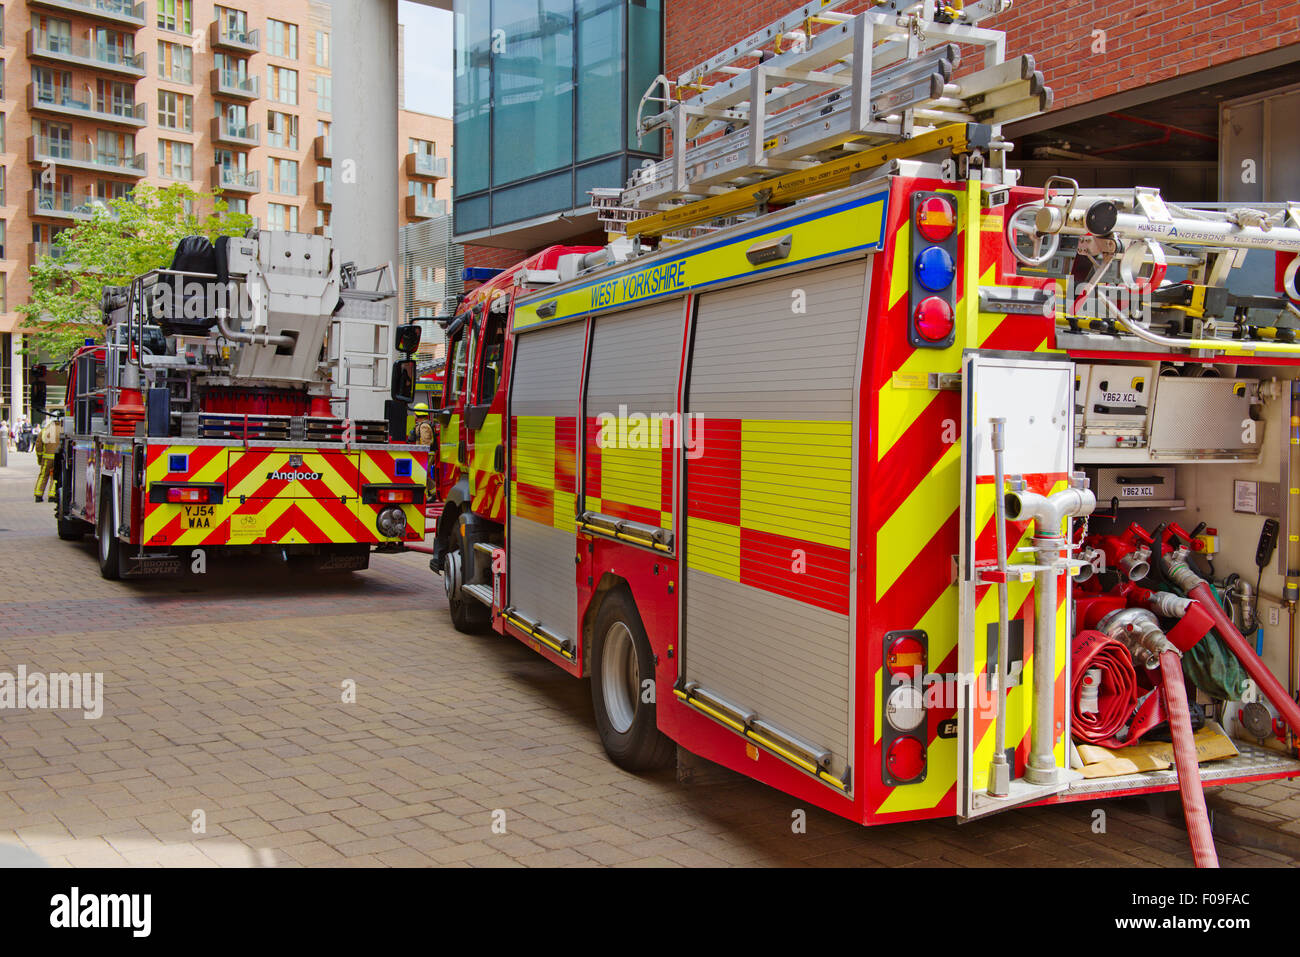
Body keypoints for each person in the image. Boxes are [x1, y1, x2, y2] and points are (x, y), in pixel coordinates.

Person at [34, 415, 62, 503]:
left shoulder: (45, 430)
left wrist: (40, 457)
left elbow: (38, 446)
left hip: (46, 458)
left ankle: (38, 495)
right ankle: (52, 495)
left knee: (43, 475)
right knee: (55, 476)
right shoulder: (63, 429)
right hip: (58, 458)